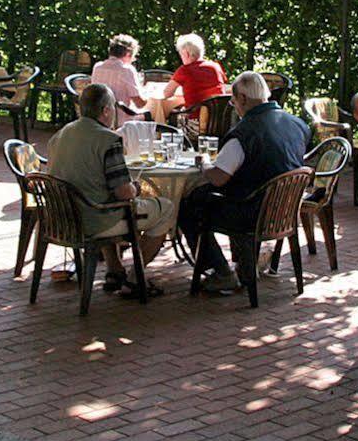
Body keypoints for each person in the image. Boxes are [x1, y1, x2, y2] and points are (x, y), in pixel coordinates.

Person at [178, 72, 310, 294]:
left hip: (252, 214)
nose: (233, 106)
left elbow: (219, 178)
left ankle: (222, 273)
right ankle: (245, 263)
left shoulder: (243, 133)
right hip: (285, 210)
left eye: (233, 101)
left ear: (243, 98)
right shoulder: (297, 124)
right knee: (232, 190)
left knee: (189, 206)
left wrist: (204, 163)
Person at [47, 82, 175, 295]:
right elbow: (123, 193)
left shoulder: (60, 135)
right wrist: (135, 187)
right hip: (93, 220)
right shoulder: (108, 139)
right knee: (166, 208)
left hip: (61, 218)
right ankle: (136, 277)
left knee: (102, 196)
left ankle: (115, 271)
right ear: (106, 110)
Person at [161, 33, 226, 119]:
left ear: (186, 54)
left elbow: (167, 93)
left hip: (196, 122)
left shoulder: (184, 70)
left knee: (174, 116)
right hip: (219, 121)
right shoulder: (216, 67)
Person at [89, 34, 148, 123]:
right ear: (128, 54)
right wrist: (149, 95)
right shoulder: (126, 70)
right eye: (133, 56)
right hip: (120, 120)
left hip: (99, 119)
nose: (133, 59)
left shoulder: (97, 67)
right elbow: (140, 104)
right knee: (152, 112)